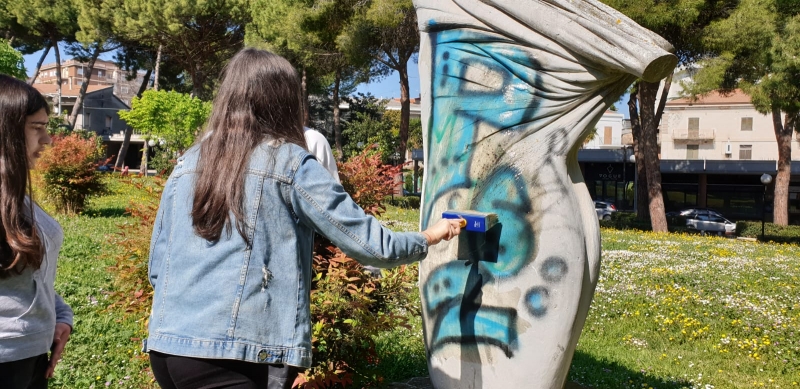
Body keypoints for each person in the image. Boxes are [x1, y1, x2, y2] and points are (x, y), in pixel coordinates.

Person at [143, 48, 462, 389]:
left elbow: (158, 268)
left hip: (167, 349)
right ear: (285, 101)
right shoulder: (291, 162)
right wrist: (430, 235)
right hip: (233, 358)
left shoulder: (188, 162)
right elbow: (371, 245)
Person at [0, 75, 74, 388]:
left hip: (29, 354)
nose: (47, 140)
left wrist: (60, 315)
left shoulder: (18, 196)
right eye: (37, 128)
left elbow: (30, 273)